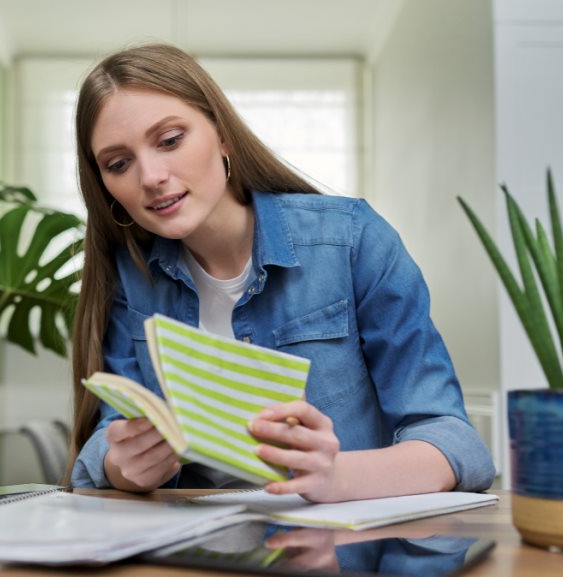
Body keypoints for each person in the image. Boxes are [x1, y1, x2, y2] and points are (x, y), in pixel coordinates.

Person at [67, 43, 495, 501]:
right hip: (192, 551)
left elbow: (454, 441)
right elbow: (108, 442)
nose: (150, 176)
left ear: (222, 134)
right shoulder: (131, 278)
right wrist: (126, 465)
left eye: (170, 140)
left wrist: (337, 477)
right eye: (119, 163)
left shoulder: (351, 240)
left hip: (340, 552)